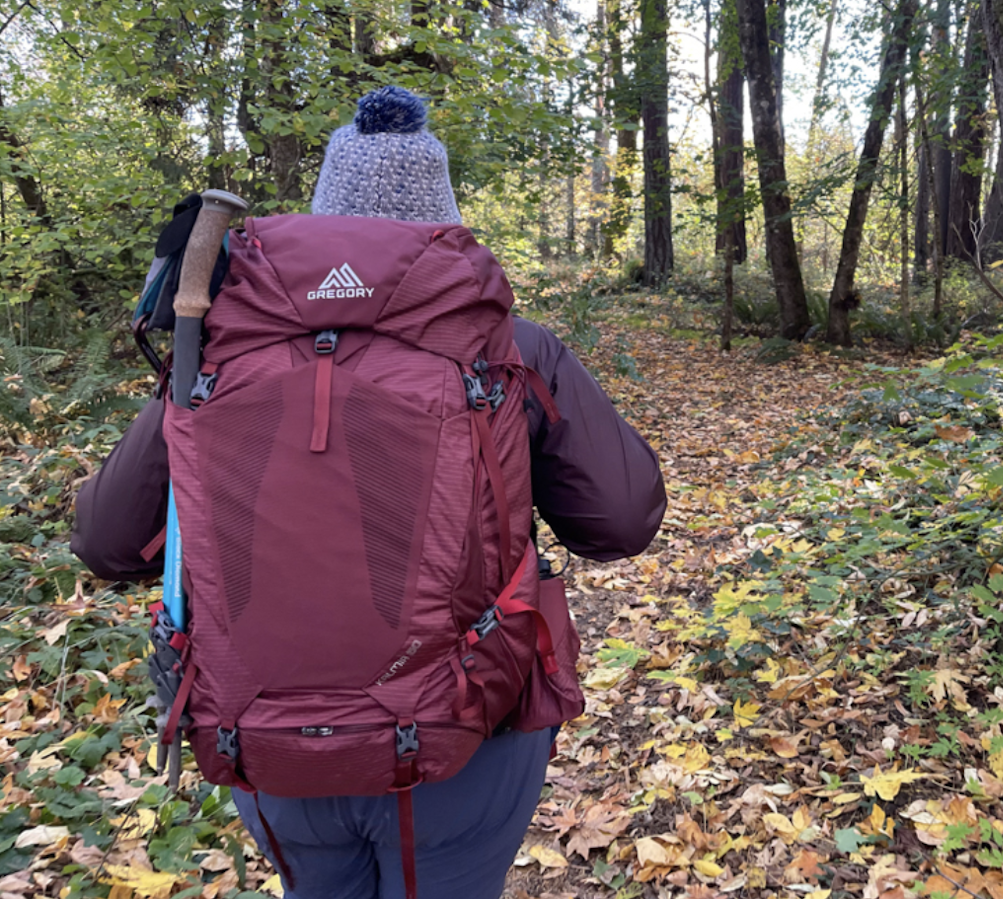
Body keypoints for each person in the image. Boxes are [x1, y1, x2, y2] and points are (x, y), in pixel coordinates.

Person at [72, 86, 666, 899]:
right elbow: (621, 519)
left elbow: (107, 540)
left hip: (263, 727)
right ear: (443, 217)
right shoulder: (508, 349)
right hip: (467, 719)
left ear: (324, 212)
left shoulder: (214, 346)